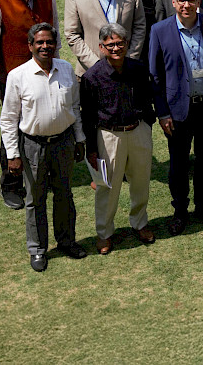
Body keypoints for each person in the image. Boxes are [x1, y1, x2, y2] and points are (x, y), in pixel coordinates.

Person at [0, 23, 88, 271]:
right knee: (35, 199)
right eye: (39, 42)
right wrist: (13, 155)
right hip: (33, 146)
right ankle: (38, 249)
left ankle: (67, 242)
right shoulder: (18, 76)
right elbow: (8, 119)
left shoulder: (66, 69)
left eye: (49, 42)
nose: (45, 46)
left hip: (64, 142)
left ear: (55, 44)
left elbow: (74, 107)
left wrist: (79, 139)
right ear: (30, 46)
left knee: (64, 194)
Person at [149, 0, 203, 235]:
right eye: (182, 0)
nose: (186, 5)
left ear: (198, 2)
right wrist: (162, 112)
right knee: (179, 163)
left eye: (191, 0)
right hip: (177, 111)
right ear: (173, 3)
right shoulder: (159, 30)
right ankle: (180, 211)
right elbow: (155, 76)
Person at [0, 0, 59, 209]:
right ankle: (11, 184)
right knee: (12, 128)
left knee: (44, 121)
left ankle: (43, 174)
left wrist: (57, 66)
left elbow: (55, 32)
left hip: (45, 73)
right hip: (12, 77)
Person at [80, 23, 156, 254]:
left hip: (138, 131)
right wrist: (92, 149)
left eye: (120, 43)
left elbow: (148, 96)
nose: (116, 48)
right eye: (110, 44)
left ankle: (140, 223)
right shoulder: (92, 77)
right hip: (109, 136)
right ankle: (104, 233)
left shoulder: (138, 69)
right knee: (107, 188)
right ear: (101, 47)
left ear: (126, 44)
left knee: (141, 181)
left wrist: (147, 124)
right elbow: (88, 116)